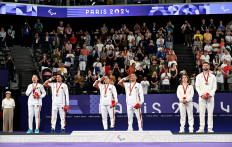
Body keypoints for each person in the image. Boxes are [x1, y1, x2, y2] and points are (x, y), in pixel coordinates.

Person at [196, 62, 217, 133]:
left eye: (207, 65)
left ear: (209, 67)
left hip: (210, 97)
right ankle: (201, 128)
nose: (205, 67)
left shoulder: (213, 76)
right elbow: (197, 87)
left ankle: (210, 128)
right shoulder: (198, 76)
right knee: (201, 112)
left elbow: (214, 87)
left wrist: (210, 94)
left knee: (210, 113)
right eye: (204, 65)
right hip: (202, 97)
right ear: (202, 67)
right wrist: (201, 94)